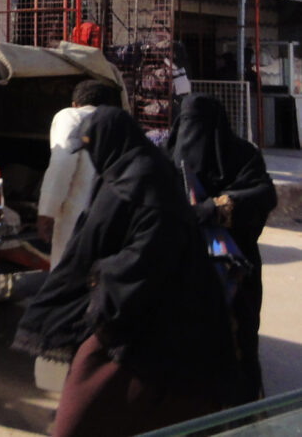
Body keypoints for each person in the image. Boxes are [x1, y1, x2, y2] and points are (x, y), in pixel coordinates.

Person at [14, 108, 239, 436]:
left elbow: (137, 254)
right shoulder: (141, 171)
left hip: (141, 322)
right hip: (162, 319)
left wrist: (100, 279)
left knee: (84, 415)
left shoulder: (132, 183)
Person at [166, 93, 277, 404]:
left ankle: (244, 414)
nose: (193, 135)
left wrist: (215, 208)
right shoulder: (166, 155)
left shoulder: (243, 156)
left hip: (236, 270)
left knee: (239, 344)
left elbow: (264, 194)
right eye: (188, 125)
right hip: (183, 270)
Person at [32, 80, 121, 392]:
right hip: (111, 221)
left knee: (67, 289)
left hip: (76, 220)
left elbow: (62, 163)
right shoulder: (120, 124)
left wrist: (47, 211)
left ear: (75, 103)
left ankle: (65, 377)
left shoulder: (70, 118)